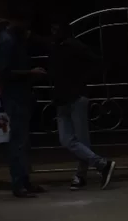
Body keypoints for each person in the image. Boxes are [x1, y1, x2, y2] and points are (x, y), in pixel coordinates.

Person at [49, 20, 116, 190]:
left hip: (76, 97)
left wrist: (82, 80)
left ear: (66, 31)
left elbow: (98, 62)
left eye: (57, 28)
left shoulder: (74, 46)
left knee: (81, 140)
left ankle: (81, 175)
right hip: (62, 99)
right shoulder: (57, 47)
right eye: (52, 29)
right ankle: (101, 164)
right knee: (67, 140)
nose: (53, 32)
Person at [0, 12, 46, 198]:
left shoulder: (16, 38)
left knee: (23, 142)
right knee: (18, 141)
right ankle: (19, 183)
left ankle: (24, 181)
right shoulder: (7, 40)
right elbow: (5, 72)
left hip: (21, 95)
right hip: (15, 97)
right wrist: (29, 73)